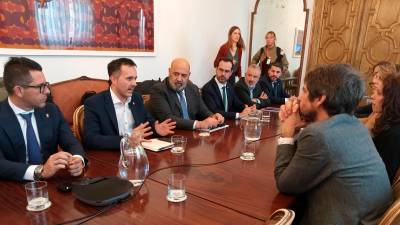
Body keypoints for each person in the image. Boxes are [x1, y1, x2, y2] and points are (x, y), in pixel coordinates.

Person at [275, 64, 392, 225]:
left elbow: (285, 183)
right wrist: (301, 127)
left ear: (319, 99)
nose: (299, 97)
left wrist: (286, 134)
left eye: (304, 90)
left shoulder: (319, 135)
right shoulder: (355, 125)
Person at [0, 57, 85, 182]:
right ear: (19, 91)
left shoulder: (51, 110)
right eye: (41, 87)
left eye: (46, 85)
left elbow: (71, 142)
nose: (47, 91)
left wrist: (77, 159)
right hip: (12, 186)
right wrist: (40, 170)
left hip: (51, 183)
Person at [84, 58, 176, 150]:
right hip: (111, 156)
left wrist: (156, 128)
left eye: (135, 78)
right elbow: (91, 139)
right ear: (113, 79)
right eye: (129, 79)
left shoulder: (136, 98)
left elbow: (146, 122)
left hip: (137, 153)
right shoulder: (94, 103)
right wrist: (126, 140)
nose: (134, 83)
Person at [149, 58, 224, 130]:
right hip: (172, 136)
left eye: (183, 75)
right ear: (169, 71)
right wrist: (199, 124)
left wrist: (213, 116)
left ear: (189, 75)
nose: (179, 79)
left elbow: (203, 111)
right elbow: (168, 119)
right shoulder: (159, 90)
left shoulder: (193, 88)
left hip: (193, 135)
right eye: (176, 74)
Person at [362, 73, 400, 183]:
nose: (372, 96)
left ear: (393, 99)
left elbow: (382, 176)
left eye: (378, 93)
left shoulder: (394, 134)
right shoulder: (386, 119)